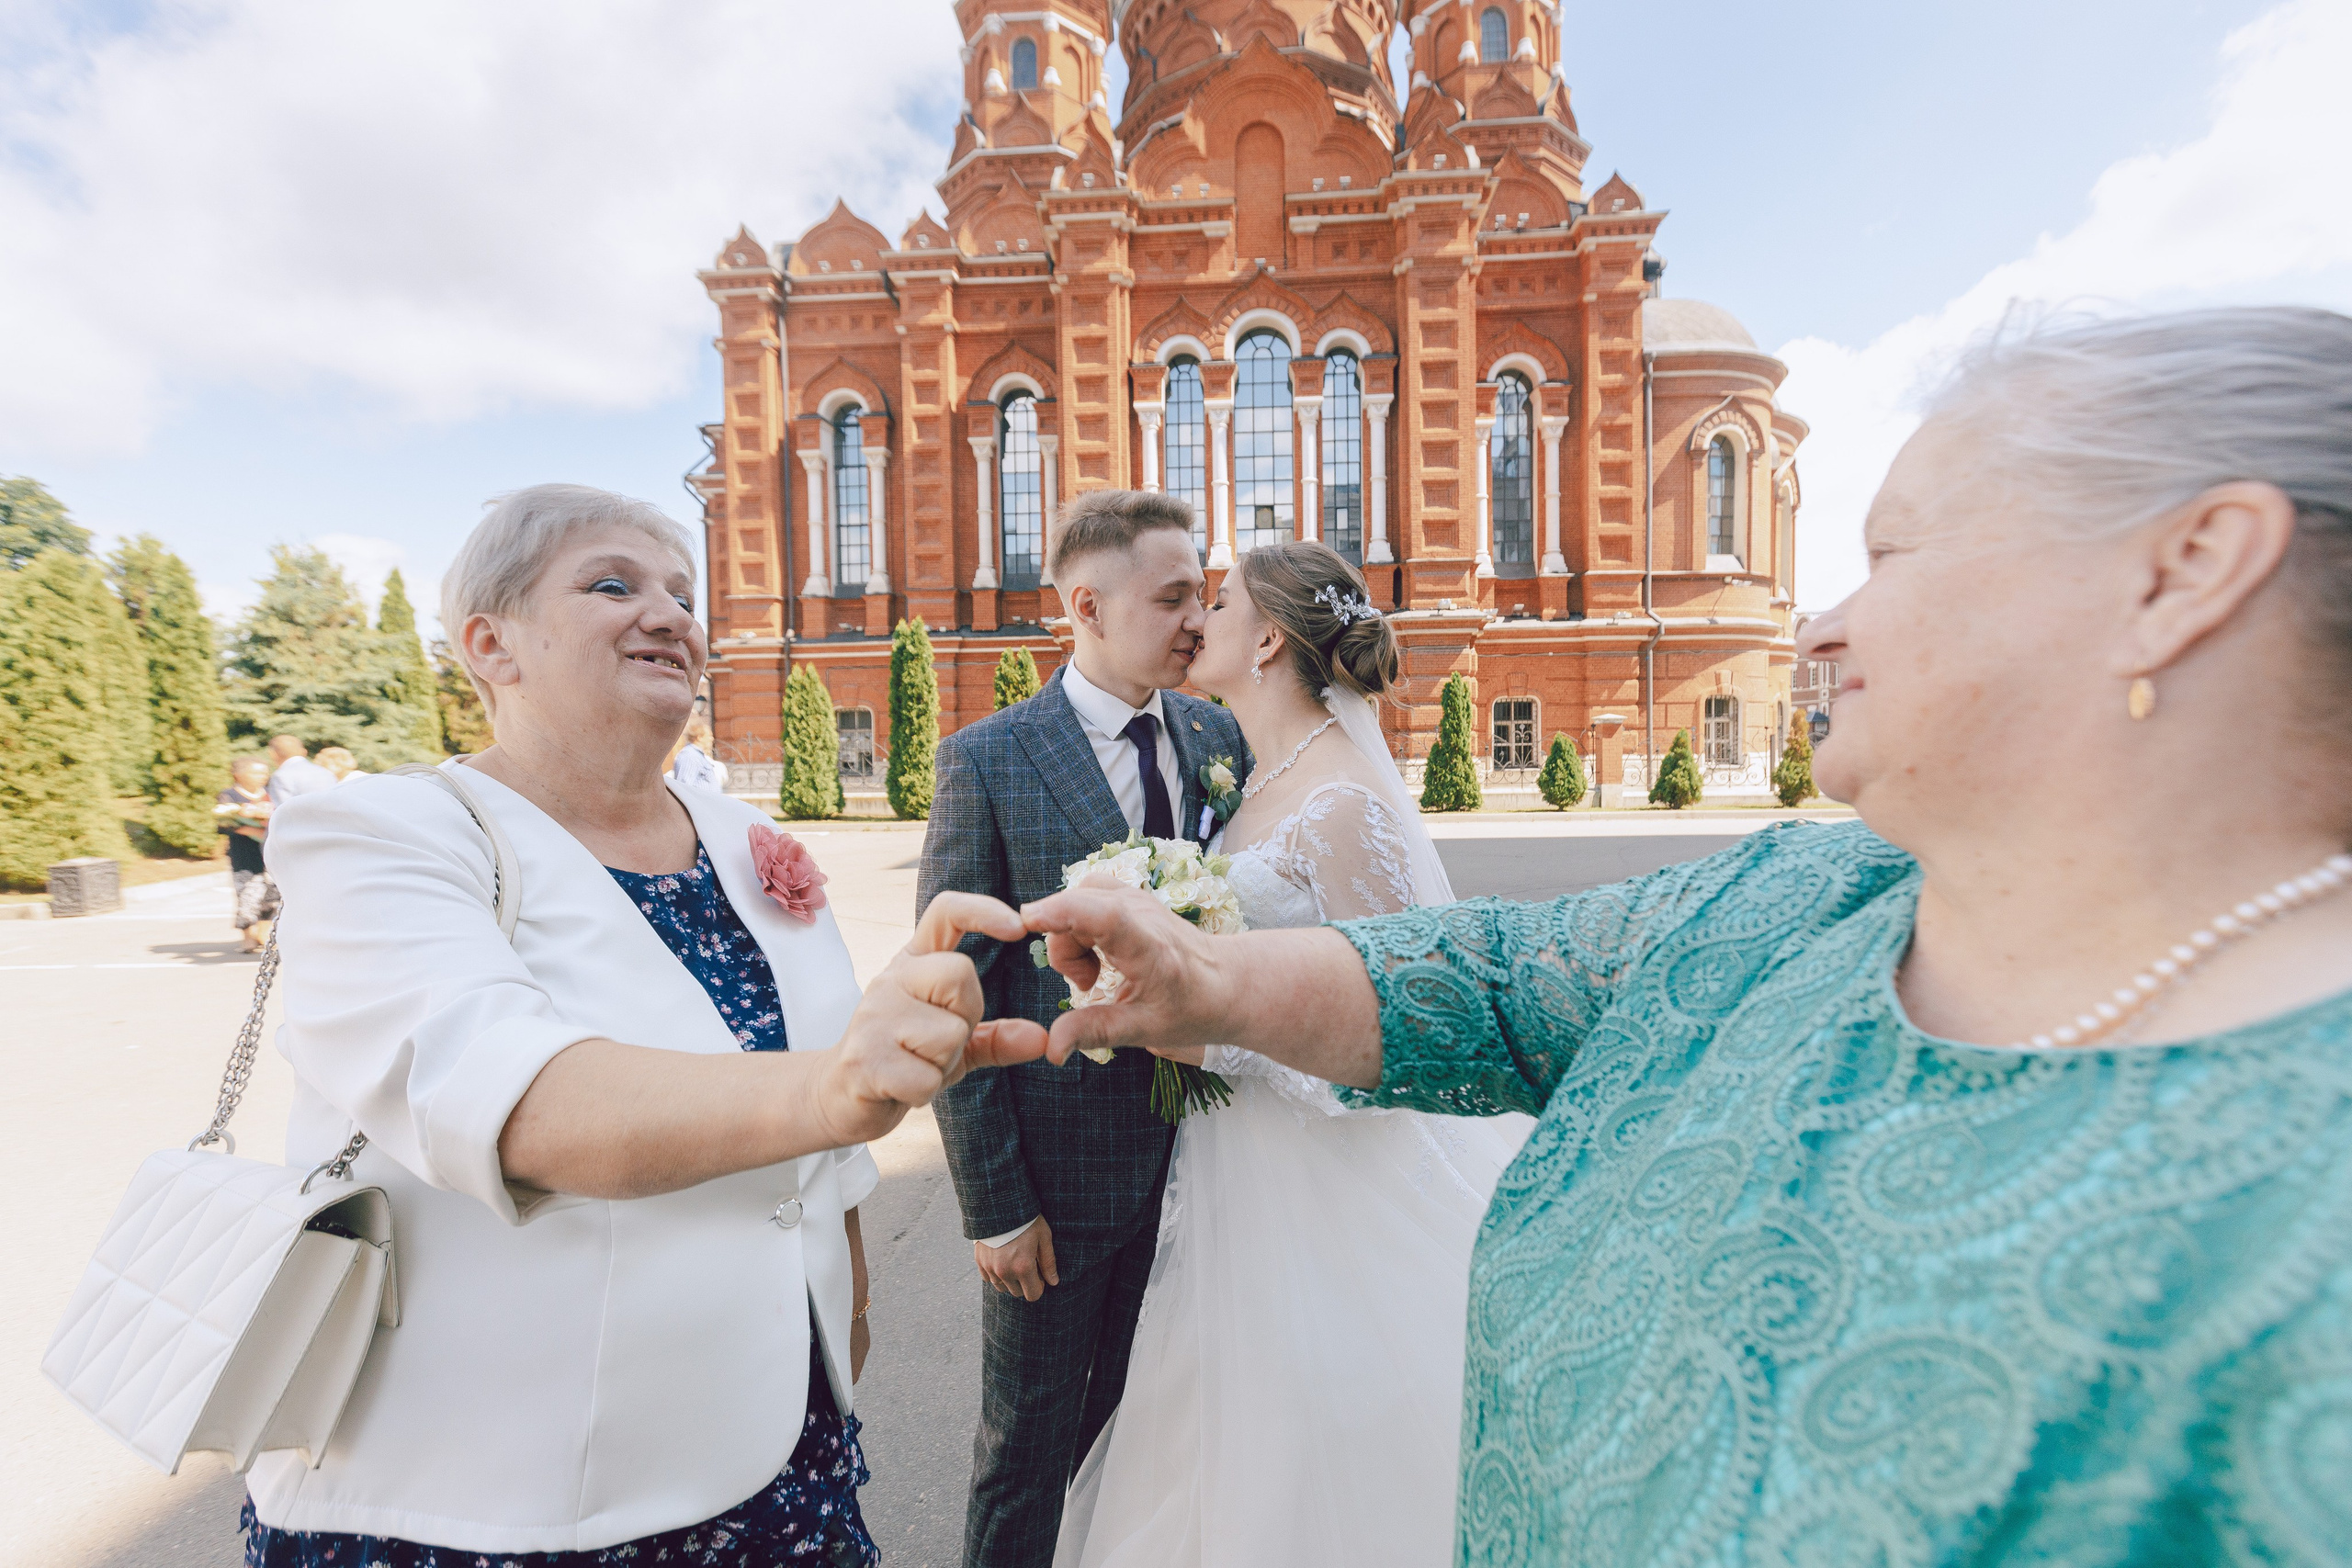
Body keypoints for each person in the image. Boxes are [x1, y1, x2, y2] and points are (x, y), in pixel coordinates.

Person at [1022, 308, 2352, 1565]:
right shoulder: (1792, 893)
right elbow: (1484, 978)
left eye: (1897, 556)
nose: (1822, 621)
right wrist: (1207, 971)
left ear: (2181, 571)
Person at [246, 483, 1047, 1566]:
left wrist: (842, 1321)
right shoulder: (382, 834)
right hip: (492, 1501)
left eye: (682, 592)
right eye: (612, 586)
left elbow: (828, 1140)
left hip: (776, 1461)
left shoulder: (742, 837)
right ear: (491, 644)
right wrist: (835, 1089)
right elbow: (517, 1101)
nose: (671, 615)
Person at [1052, 540, 1534, 1568]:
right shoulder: (1250, 783)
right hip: (1242, 1172)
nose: (1194, 619)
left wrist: (1209, 1033)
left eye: (1215, 602)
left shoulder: (1343, 802)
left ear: (1267, 637)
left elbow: (1408, 1028)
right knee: (1231, 1437)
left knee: (1329, 1445)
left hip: (1334, 1187)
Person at [917, 489, 1250, 1566]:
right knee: (1026, 1458)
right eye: (1171, 599)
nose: (1197, 620)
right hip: (1055, 1196)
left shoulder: (1218, 736)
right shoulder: (991, 759)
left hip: (1210, 1172)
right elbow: (955, 998)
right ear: (1086, 606)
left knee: (1152, 1442)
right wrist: (995, 1207)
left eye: (1202, 595)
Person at [214, 756, 277, 953]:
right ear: (238, 774)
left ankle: (264, 933)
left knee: (271, 894)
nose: (263, 777)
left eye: (265, 772)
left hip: (271, 852)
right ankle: (248, 937)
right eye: (256, 772)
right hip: (244, 853)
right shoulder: (229, 797)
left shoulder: (272, 794)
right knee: (248, 894)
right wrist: (257, 831)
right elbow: (225, 824)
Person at [265, 733, 338, 804]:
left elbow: (283, 810)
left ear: (273, 754)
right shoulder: (326, 772)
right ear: (303, 751)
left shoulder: (281, 776)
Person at [671, 719, 730, 793]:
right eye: (709, 736)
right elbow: (684, 787)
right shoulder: (689, 755)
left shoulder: (698, 756)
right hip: (698, 803)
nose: (712, 739)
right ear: (699, 738)